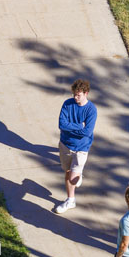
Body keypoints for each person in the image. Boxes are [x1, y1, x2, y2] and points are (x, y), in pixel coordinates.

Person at [55, 79, 97, 214]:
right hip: (65, 144)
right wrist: (79, 126)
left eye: (78, 95)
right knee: (67, 172)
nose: (75, 97)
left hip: (81, 148)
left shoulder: (91, 110)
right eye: (74, 94)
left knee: (72, 177)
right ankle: (71, 196)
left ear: (86, 93)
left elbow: (87, 132)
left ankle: (73, 189)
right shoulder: (67, 104)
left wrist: (71, 127)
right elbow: (62, 124)